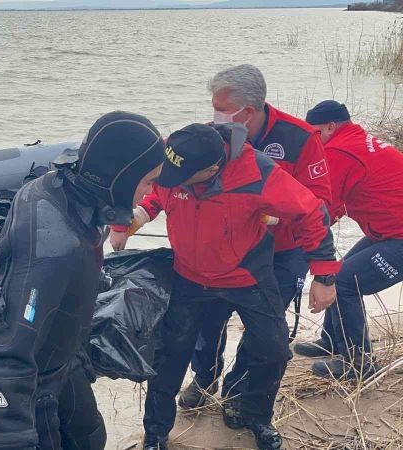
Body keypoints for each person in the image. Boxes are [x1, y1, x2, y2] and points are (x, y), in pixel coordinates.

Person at [112, 64, 334, 409]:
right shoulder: (208, 142)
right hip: (217, 254)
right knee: (205, 330)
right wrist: (134, 216)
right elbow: (170, 182)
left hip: (283, 251)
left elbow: (320, 205)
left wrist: (276, 221)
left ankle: (239, 396)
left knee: (263, 341)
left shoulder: (299, 138)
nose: (214, 113)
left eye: (220, 106)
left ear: (247, 111)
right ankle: (205, 381)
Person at [0, 111, 166, 450]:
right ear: (121, 176)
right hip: (27, 380)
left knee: (90, 438)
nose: (151, 190)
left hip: (60, 356)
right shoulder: (52, 246)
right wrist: (12, 435)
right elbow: (10, 350)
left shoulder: (67, 191)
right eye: (148, 180)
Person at [137, 123, 339, 450]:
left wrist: (325, 275)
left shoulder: (257, 172)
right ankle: (156, 433)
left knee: (273, 350)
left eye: (178, 179)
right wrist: (128, 220)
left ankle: (255, 415)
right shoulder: (175, 159)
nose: (168, 181)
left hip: (247, 275)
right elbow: (153, 193)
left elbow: (311, 211)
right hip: (189, 275)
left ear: (212, 169)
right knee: (168, 355)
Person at [295, 101, 403, 379]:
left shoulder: (338, 151)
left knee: (343, 282)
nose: (311, 140)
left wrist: (295, 238)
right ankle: (332, 340)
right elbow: (337, 202)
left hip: (398, 236)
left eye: (314, 132)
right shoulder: (356, 140)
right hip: (388, 232)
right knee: (338, 271)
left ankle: (359, 363)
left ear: (331, 127)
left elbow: (324, 208)